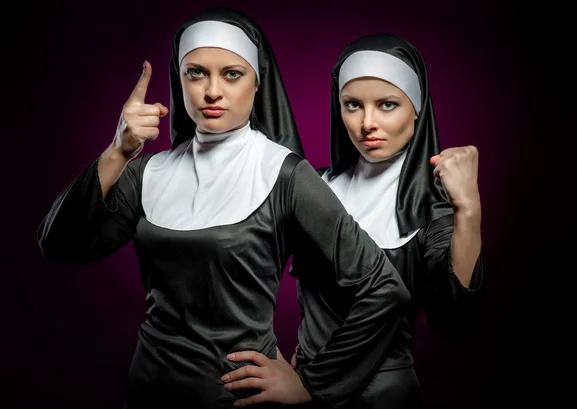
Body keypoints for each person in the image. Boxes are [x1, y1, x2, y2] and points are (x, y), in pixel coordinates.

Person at [36, 8, 412, 409]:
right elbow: (59, 244)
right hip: (147, 388)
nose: (212, 91)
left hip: (237, 399)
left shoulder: (284, 175)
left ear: (256, 82)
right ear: (179, 80)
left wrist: (313, 385)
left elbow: (383, 290)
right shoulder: (149, 172)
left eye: (232, 74)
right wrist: (117, 152)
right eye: (195, 73)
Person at [223, 33, 484, 408]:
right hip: (307, 388)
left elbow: (456, 322)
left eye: (388, 104)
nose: (367, 123)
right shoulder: (316, 185)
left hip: (382, 396)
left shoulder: (432, 208)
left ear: (417, 107)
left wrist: (468, 211)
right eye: (353, 105)